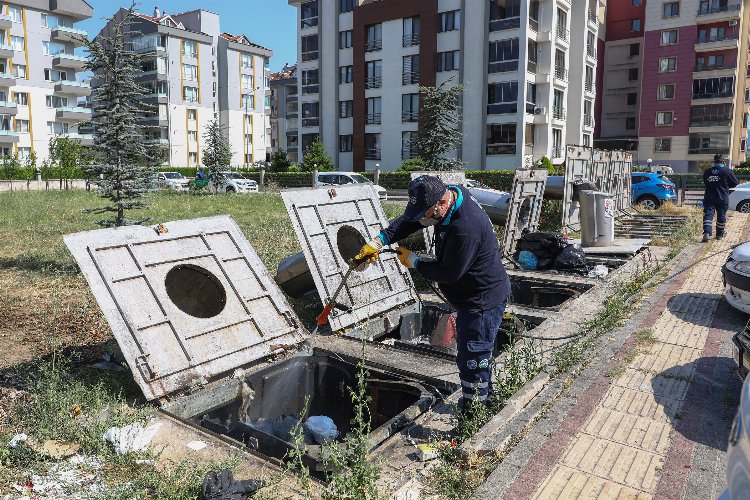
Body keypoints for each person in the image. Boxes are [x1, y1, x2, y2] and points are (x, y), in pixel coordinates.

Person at [355, 175, 511, 412]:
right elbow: (411, 222)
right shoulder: (451, 195)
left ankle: (474, 411)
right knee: (477, 352)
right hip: (473, 294)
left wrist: (416, 262)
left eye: (425, 212)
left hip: (481, 300)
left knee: (473, 355)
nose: (423, 218)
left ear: (441, 203)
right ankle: (485, 399)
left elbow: (449, 273)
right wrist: (379, 241)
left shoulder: (465, 228)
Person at [702, 154, 738, 242]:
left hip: (709, 197)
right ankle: (719, 234)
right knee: (721, 215)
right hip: (722, 197)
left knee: (708, 215)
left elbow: (705, 183)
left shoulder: (707, 172)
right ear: (723, 161)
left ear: (714, 162)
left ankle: (707, 233)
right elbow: (735, 183)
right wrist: (725, 185)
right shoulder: (727, 171)